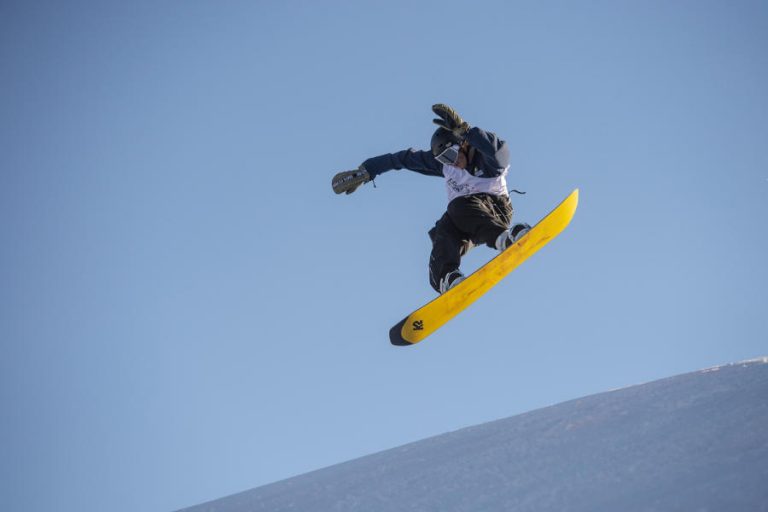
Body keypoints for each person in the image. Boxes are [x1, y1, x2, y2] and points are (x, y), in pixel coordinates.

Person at [332, 104, 530, 294]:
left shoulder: (486, 160)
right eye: (444, 158)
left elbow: (500, 152)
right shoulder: (446, 166)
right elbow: (402, 159)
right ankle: (447, 278)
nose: (452, 163)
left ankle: (503, 238)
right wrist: (368, 170)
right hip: (466, 217)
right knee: (442, 231)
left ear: (463, 144)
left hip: (495, 211)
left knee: (459, 206)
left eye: (451, 154)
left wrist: (466, 131)